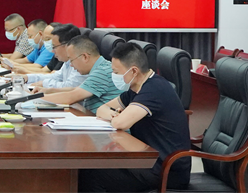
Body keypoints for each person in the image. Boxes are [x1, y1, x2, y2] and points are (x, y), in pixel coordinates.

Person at [81, 43, 191, 193]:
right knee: (89, 167)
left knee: (92, 175)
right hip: (146, 160)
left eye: (116, 72)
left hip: (166, 170)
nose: (114, 76)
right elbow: (102, 109)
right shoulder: (135, 89)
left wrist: (117, 117)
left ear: (133, 71)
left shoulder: (154, 89)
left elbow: (121, 123)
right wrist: (116, 115)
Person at [36, 35, 123, 113]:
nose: (71, 65)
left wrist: (34, 98)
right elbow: (76, 89)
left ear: (85, 57)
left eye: (71, 60)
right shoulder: (101, 67)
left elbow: (70, 97)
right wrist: (51, 90)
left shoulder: (103, 71)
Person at [23, 24, 87, 89]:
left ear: (67, 45)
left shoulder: (81, 62)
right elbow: (55, 77)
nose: (53, 51)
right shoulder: (67, 61)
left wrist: (44, 83)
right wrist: (28, 77)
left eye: (54, 47)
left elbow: (69, 86)